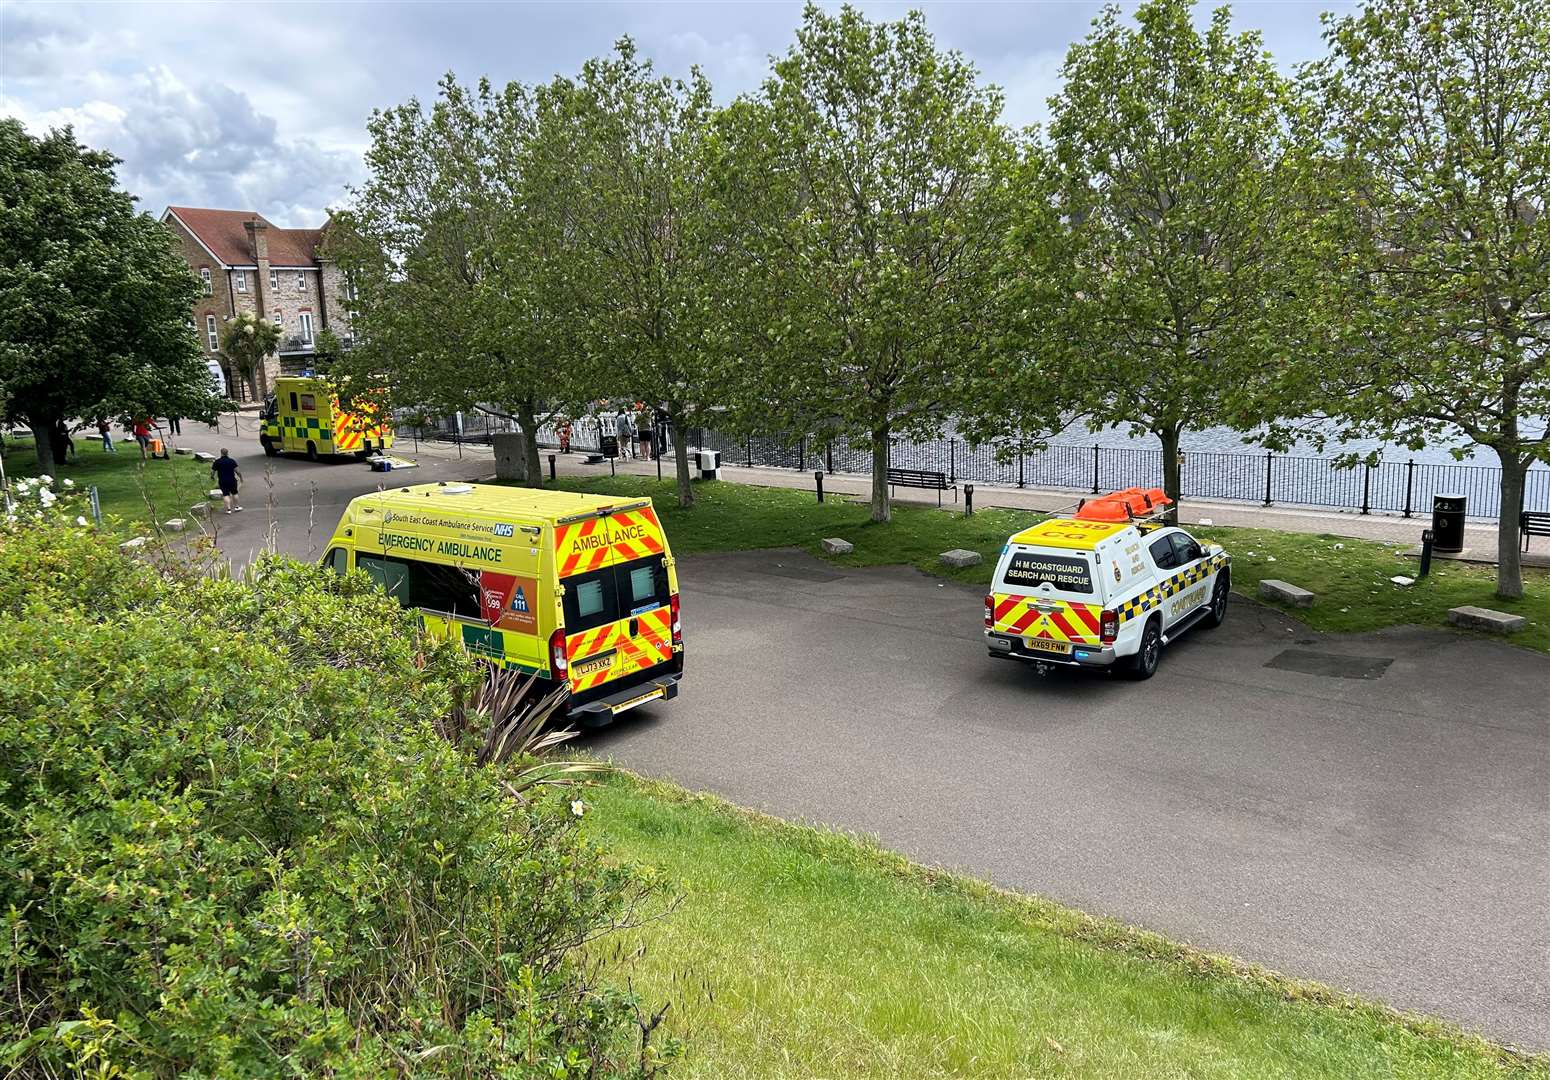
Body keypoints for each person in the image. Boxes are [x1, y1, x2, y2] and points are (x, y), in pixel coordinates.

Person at [210, 448, 243, 513]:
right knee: (234, 493)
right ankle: (237, 507)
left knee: (225, 494)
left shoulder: (217, 462)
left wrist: (212, 477)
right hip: (232, 480)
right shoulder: (231, 461)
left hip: (222, 481)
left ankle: (228, 509)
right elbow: (237, 471)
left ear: (221, 453)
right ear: (227, 453)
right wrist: (241, 478)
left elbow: (212, 471)